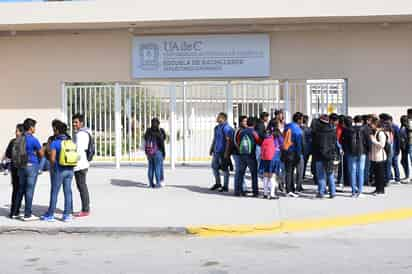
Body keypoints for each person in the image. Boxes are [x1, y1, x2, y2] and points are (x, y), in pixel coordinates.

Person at [41, 121, 75, 222]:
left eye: (54, 129)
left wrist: (53, 166)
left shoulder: (55, 143)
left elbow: (52, 159)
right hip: (70, 169)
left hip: (59, 171)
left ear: (57, 130)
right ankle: (67, 215)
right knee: (68, 192)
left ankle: (50, 215)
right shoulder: (70, 141)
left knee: (54, 192)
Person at [15, 118, 44, 221]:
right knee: (29, 190)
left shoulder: (19, 139)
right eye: (34, 127)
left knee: (21, 189)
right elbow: (41, 154)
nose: (35, 129)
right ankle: (28, 214)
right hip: (31, 167)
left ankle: (15, 212)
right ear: (31, 128)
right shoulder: (33, 140)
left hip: (21, 167)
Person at [342, 115, 370, 197]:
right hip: (362, 152)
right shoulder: (365, 129)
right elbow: (368, 141)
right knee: (361, 171)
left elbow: (343, 141)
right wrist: (367, 151)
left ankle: (353, 191)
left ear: (354, 121)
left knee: (352, 172)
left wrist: (346, 150)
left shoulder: (347, 129)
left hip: (351, 153)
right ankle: (360, 191)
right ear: (361, 121)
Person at [312, 115, 338, 199]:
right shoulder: (333, 131)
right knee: (330, 174)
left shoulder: (317, 131)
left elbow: (314, 144)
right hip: (329, 155)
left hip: (319, 155)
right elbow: (334, 143)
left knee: (321, 175)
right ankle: (333, 192)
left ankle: (321, 192)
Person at [72, 114, 93, 216]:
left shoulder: (80, 135)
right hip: (84, 163)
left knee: (82, 187)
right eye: (73, 122)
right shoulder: (86, 132)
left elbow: (78, 150)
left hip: (79, 164)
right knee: (82, 186)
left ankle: (85, 209)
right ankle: (86, 208)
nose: (74, 124)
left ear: (81, 123)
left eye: (76, 122)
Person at [3, 124, 24, 218]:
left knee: (15, 190)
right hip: (23, 168)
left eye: (17, 131)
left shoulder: (13, 141)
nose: (15, 133)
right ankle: (19, 210)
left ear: (21, 131)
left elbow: (7, 154)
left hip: (14, 168)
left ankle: (13, 212)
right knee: (22, 190)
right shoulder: (26, 141)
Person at [237, 117, 261, 197]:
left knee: (241, 173)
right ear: (254, 124)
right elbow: (258, 141)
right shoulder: (254, 132)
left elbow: (238, 141)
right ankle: (255, 192)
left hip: (242, 155)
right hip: (251, 155)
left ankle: (239, 191)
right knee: (254, 174)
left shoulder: (242, 132)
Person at [282, 112, 304, 197]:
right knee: (291, 172)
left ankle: (290, 188)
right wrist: (299, 154)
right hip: (293, 152)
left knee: (288, 171)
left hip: (286, 151)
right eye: (301, 119)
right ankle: (289, 190)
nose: (302, 121)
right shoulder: (298, 130)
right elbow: (299, 145)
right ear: (298, 120)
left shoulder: (287, 127)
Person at [144, 118, 166, 188]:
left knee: (150, 168)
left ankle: (150, 184)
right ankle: (158, 183)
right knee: (157, 167)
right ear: (158, 124)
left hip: (149, 153)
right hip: (158, 152)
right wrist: (164, 153)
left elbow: (145, 140)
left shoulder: (148, 131)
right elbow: (162, 144)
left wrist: (146, 153)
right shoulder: (160, 132)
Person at [369, 118, 388, 195]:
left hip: (380, 157)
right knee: (376, 174)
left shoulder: (381, 133)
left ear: (376, 124)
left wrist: (373, 140)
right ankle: (377, 189)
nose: (371, 126)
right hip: (375, 156)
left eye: (372, 124)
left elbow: (382, 145)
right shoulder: (375, 132)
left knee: (380, 175)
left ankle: (381, 191)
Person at [232, 115, 248, 196]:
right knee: (239, 172)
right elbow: (236, 142)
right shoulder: (239, 130)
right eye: (245, 121)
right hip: (238, 154)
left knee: (241, 172)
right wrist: (241, 151)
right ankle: (237, 190)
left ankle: (241, 189)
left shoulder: (242, 130)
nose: (246, 122)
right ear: (241, 122)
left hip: (239, 153)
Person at [400, 115, 410, 183]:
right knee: (403, 161)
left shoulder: (406, 128)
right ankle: (407, 175)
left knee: (404, 161)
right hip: (403, 147)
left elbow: (406, 138)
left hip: (405, 147)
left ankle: (407, 176)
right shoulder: (403, 127)